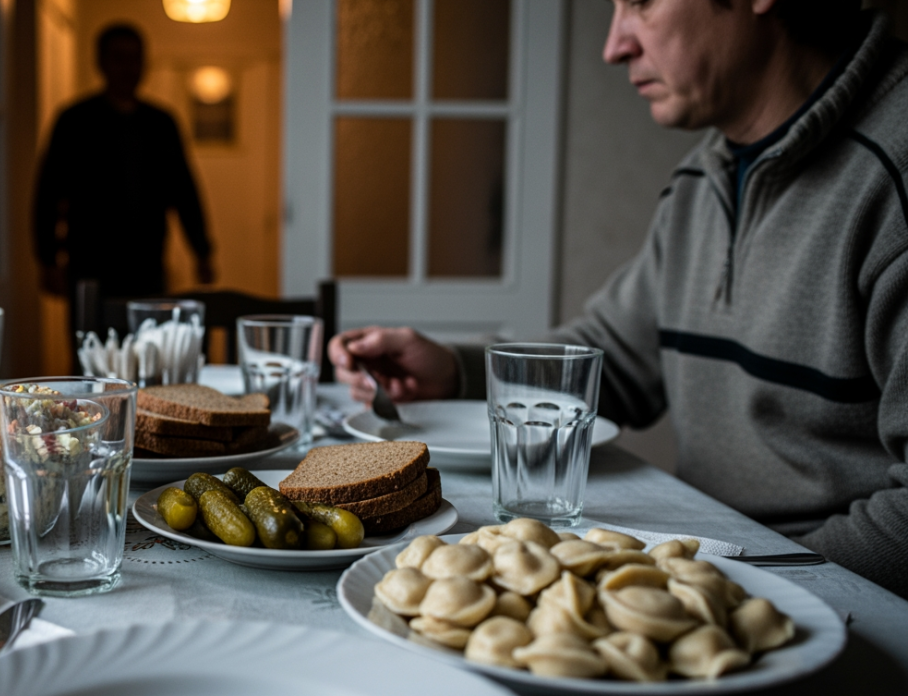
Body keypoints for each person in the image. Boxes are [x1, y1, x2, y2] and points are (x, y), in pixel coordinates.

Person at [330, 1, 908, 598]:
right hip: (724, 564)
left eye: (639, 3)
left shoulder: (896, 168)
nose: (614, 46)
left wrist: (736, 591)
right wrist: (454, 369)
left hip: (816, 595)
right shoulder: (700, 181)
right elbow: (613, 358)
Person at [33, 23, 215, 308]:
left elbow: (184, 190)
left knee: (148, 341)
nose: (128, 68)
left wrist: (202, 251)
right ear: (101, 63)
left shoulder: (161, 123)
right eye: (119, 58)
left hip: (147, 260)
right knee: (91, 344)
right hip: (89, 259)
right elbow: (49, 192)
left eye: (135, 58)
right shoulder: (75, 121)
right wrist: (47, 258)